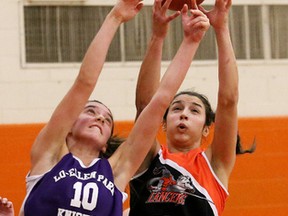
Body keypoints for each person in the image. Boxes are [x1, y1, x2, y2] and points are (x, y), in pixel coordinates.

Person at [19, 0, 210, 215]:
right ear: (69, 126)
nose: (100, 118)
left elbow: (160, 102)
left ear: (106, 143)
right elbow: (84, 83)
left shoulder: (116, 171)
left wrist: (191, 42)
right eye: (90, 111)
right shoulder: (49, 155)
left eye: (107, 119)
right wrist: (115, 17)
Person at [128, 0, 241, 215]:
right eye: (177, 108)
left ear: (207, 128)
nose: (184, 114)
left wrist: (221, 28)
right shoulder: (148, 158)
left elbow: (229, 101)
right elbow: (145, 107)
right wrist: (158, 36)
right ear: (162, 123)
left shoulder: (215, 164)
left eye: (194, 110)